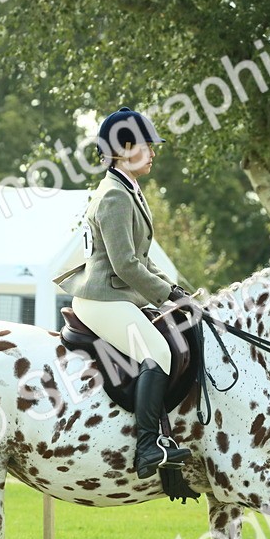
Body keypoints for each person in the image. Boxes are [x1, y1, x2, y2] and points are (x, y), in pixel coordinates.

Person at [53, 106, 192, 479]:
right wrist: (168, 296)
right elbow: (126, 265)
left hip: (119, 295)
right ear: (125, 147)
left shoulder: (128, 189)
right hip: (103, 298)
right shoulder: (114, 195)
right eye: (147, 145)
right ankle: (148, 446)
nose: (153, 152)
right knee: (158, 352)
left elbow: (143, 260)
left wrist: (179, 291)